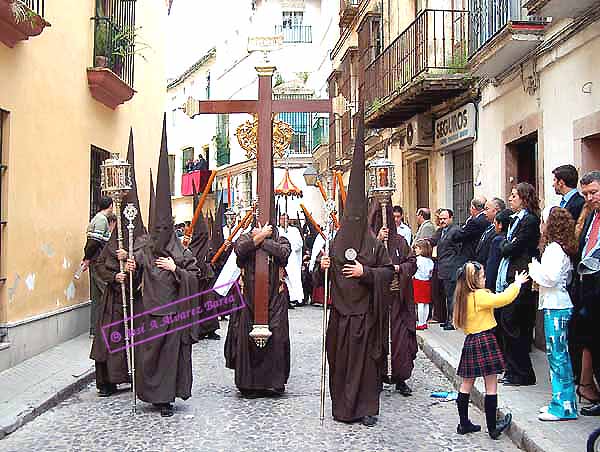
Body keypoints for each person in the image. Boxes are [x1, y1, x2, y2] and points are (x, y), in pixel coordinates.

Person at [129, 118, 207, 417]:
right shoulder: (144, 247)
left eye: (165, 227)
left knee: (169, 360)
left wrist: (176, 269)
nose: (160, 232)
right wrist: (128, 264)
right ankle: (150, 394)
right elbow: (133, 273)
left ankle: (166, 400)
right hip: (150, 314)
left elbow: (195, 276)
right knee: (150, 357)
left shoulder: (180, 250)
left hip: (173, 316)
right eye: (156, 226)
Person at [319, 115, 394, 427]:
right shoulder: (335, 245)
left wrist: (367, 272)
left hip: (364, 317)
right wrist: (321, 268)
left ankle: (365, 410)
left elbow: (389, 273)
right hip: (339, 317)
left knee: (363, 367)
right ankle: (342, 410)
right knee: (339, 364)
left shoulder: (374, 245)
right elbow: (320, 279)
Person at [90, 131, 142, 397]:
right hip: (111, 300)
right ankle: (106, 382)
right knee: (108, 339)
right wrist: (116, 275)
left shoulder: (135, 238)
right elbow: (99, 265)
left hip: (129, 300)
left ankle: (127, 375)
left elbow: (144, 262)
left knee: (127, 337)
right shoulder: (111, 242)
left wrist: (132, 265)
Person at [453, 261, 529, 439]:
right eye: (483, 276)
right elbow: (502, 299)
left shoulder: (462, 297)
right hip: (485, 340)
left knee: (466, 384)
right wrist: (516, 283)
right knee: (491, 385)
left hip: (471, 340)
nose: (486, 279)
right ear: (475, 280)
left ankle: (464, 423)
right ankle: (493, 428)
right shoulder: (480, 296)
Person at [225, 221, 292, 397]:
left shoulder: (281, 239)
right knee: (246, 339)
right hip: (248, 297)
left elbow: (283, 253)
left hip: (275, 299)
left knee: (276, 338)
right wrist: (260, 237)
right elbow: (240, 251)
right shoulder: (244, 238)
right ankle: (248, 384)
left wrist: (263, 240)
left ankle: (273, 382)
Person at [529, 206, 578, 421]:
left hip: (557, 306)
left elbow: (551, 277)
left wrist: (533, 268)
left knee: (558, 358)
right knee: (558, 357)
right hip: (556, 303)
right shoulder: (558, 248)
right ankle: (561, 401)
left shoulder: (554, 249)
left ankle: (563, 406)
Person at [370, 199, 418, 396]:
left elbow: (412, 262)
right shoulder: (369, 242)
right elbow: (366, 265)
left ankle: (400, 378)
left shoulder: (399, 241)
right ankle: (378, 376)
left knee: (400, 340)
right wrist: (376, 241)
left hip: (399, 300)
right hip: (378, 301)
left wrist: (399, 269)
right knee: (377, 339)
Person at [495, 182, 540, 386]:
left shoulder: (529, 220)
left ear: (524, 198)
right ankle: (514, 370)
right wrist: (507, 244)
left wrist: (506, 245)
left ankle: (522, 372)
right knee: (508, 324)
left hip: (520, 276)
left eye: (514, 195)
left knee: (513, 324)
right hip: (511, 276)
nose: (510, 198)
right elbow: (506, 243)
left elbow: (511, 247)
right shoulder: (515, 220)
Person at [573, 171, 600, 416]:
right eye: (586, 194)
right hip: (588, 286)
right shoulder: (592, 217)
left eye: (594, 192)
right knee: (591, 340)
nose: (590, 198)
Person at [82, 196, 115, 337]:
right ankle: (104, 329)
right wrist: (87, 258)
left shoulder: (96, 219)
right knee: (106, 293)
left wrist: (87, 258)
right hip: (98, 262)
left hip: (94, 261)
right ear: (110, 206)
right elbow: (94, 242)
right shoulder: (101, 220)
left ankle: (94, 330)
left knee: (96, 297)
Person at [431, 208, 462, 330]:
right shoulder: (442, 231)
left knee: (451, 296)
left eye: (444, 218)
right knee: (446, 296)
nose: (442, 221)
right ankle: (448, 319)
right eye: (441, 218)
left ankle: (453, 321)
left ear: (451, 218)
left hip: (451, 268)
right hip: (443, 268)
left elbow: (458, 249)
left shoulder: (455, 231)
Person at [278, 213, 304, 308]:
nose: (283, 221)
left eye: (285, 219)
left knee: (294, 278)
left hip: (292, 257)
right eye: (281, 219)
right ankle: (287, 298)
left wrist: (289, 247)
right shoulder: (277, 230)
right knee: (283, 278)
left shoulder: (294, 230)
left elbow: (299, 243)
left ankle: (297, 298)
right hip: (281, 256)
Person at [455, 196, 490, 263]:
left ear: (473, 208)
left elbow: (459, 236)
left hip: (470, 256)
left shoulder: (474, 222)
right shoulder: (487, 219)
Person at [485, 209, 512, 291]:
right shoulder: (511, 239)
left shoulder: (498, 240)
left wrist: (488, 285)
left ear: (500, 224)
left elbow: (492, 265)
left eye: (495, 223)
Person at [476, 197, 506, 266]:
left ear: (496, 210)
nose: (484, 212)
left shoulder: (499, 230)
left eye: (487, 209)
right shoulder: (489, 227)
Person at [413, 239, 434, 330]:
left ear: (422, 249)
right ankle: (424, 322)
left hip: (418, 282)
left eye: (417, 248)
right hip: (427, 282)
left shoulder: (417, 260)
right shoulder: (430, 261)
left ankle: (420, 322)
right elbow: (430, 273)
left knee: (420, 303)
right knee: (426, 303)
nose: (415, 250)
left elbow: (414, 271)